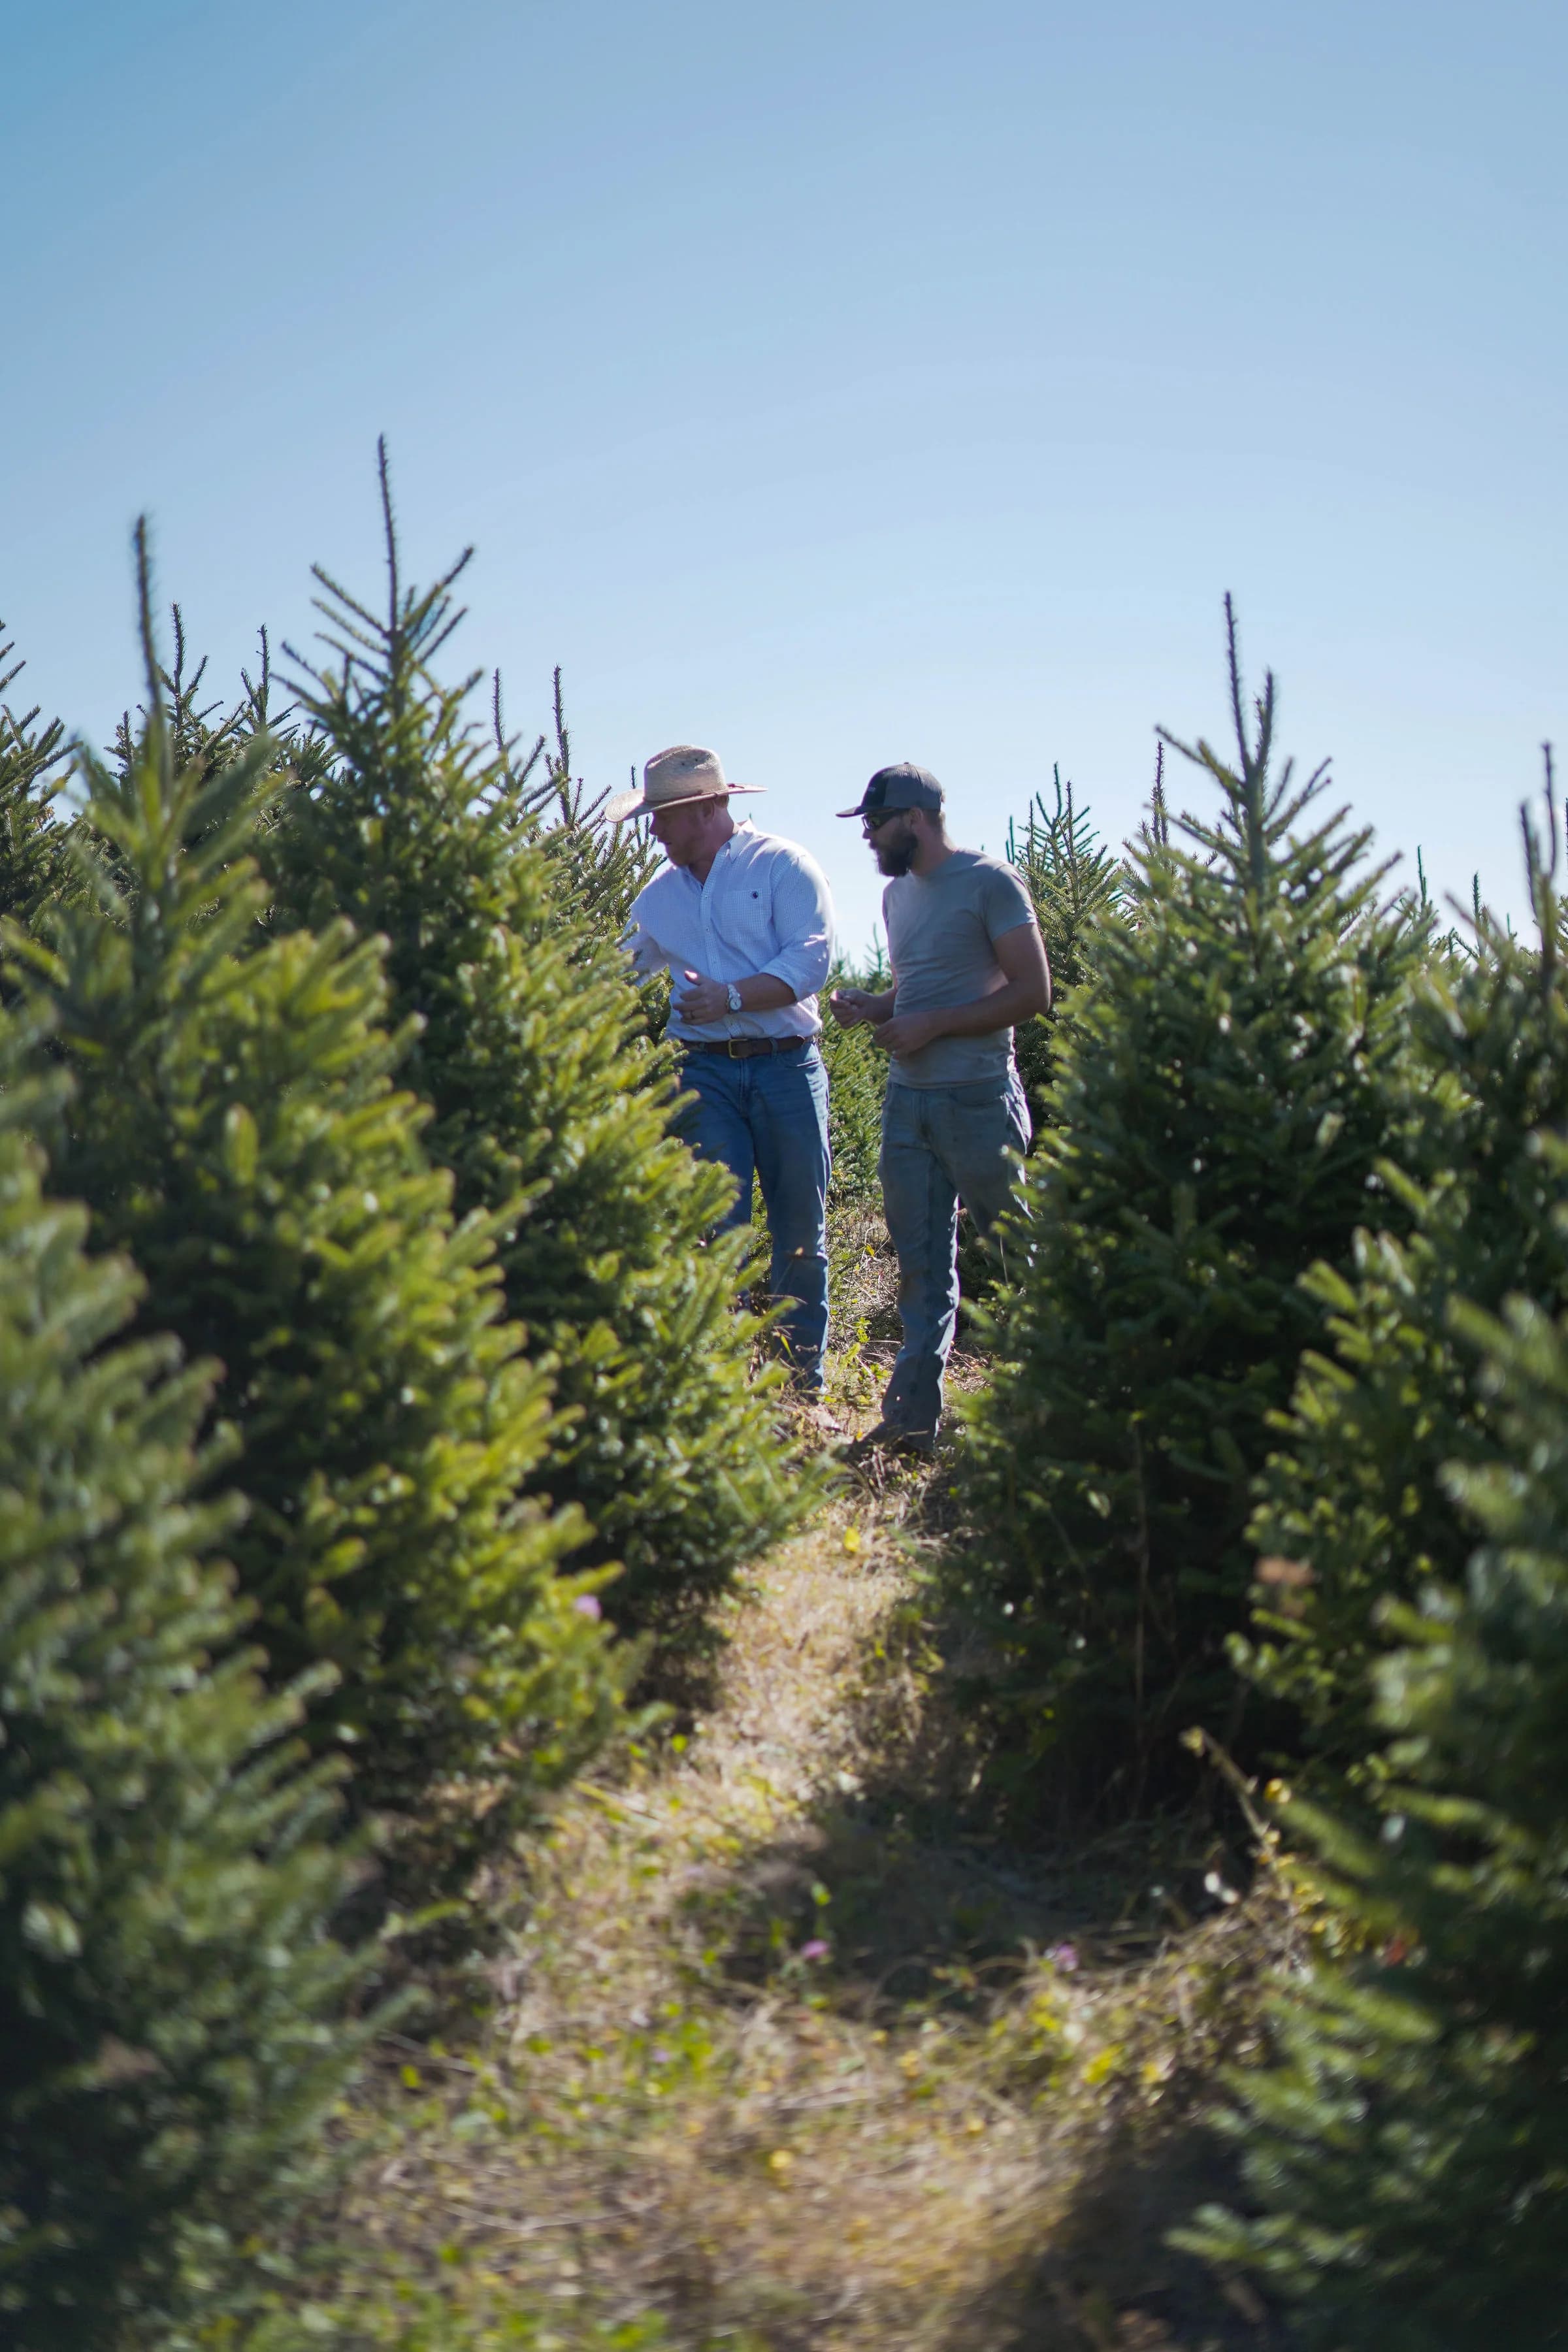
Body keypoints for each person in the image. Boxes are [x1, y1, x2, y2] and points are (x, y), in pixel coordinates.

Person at [830, 762, 1050, 1453]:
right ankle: (910, 1425)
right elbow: (917, 985)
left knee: (1018, 1250)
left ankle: (1055, 1399)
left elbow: (1033, 991)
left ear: (915, 819)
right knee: (922, 1268)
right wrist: (877, 1008)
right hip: (908, 1106)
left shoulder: (990, 883)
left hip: (978, 1099)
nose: (867, 837)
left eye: (875, 823)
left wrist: (935, 1026)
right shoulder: (900, 898)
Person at [613, 744, 837, 1401]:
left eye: (663, 817)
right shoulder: (657, 901)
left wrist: (732, 997)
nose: (653, 831)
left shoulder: (785, 867)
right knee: (716, 1226)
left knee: (800, 1226)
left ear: (709, 808)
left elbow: (811, 963)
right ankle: (724, 1388)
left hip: (788, 1069)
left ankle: (803, 1390)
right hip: (703, 1074)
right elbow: (619, 972)